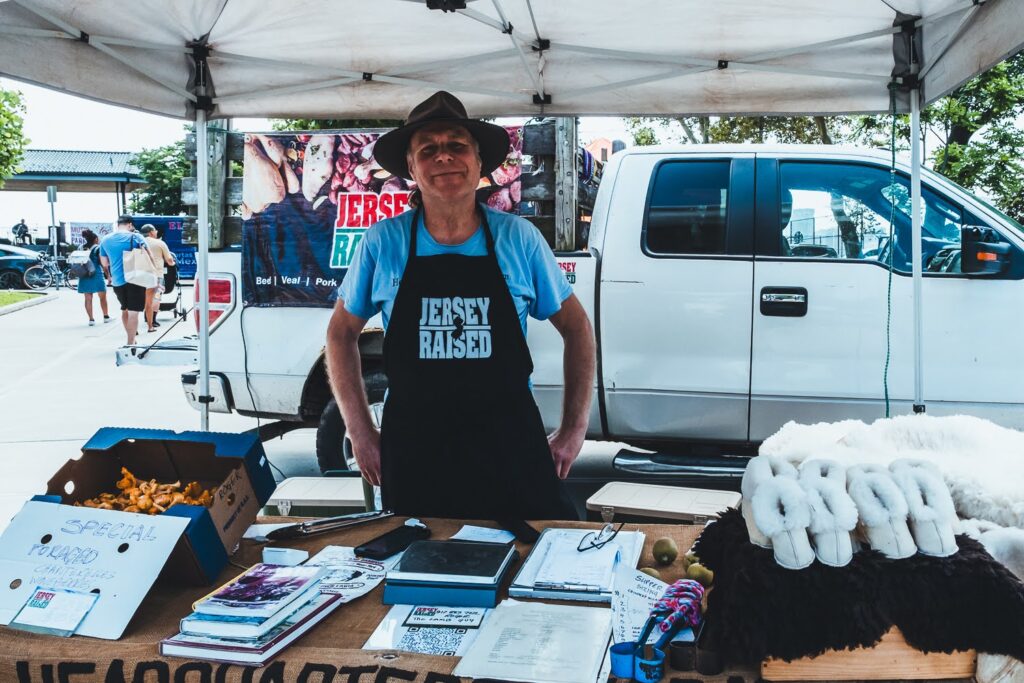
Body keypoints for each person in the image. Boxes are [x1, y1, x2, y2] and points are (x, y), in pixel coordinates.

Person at [325, 91, 596, 521]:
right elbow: (341, 333)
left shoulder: (518, 239)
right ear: (411, 168)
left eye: (456, 145)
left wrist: (573, 430)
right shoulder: (384, 241)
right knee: (418, 576)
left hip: (510, 447)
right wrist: (360, 432)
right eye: (428, 150)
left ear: (479, 163)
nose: (444, 157)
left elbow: (577, 328)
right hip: (415, 451)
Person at [99, 214, 156, 346]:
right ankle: (130, 342)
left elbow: (104, 263)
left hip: (117, 281)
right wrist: (155, 274)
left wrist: (110, 274)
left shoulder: (106, 240)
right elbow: (149, 256)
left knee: (124, 309)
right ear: (130, 224)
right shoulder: (136, 236)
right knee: (133, 312)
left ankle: (131, 339)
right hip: (135, 278)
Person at [139, 224, 176, 333]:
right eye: (155, 230)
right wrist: (173, 264)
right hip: (157, 275)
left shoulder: (139, 242)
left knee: (144, 297)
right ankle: (153, 320)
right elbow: (169, 259)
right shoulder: (160, 243)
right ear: (151, 232)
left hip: (141, 275)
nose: (156, 232)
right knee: (156, 297)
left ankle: (146, 316)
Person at [76, 229, 111, 326]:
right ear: (95, 239)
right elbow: (103, 264)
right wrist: (108, 275)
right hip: (96, 274)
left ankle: (91, 319)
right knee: (102, 297)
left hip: (84, 274)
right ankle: (106, 316)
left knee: (88, 298)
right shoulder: (98, 248)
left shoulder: (80, 247)